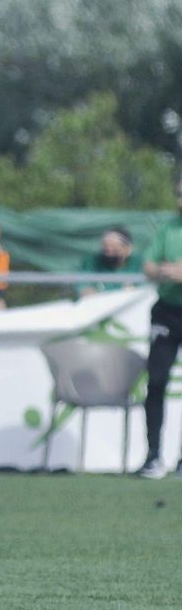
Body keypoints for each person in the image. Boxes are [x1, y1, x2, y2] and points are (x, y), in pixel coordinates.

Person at [137, 185, 182, 480]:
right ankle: (153, 456)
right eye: (177, 193)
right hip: (167, 310)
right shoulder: (168, 228)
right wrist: (164, 272)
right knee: (156, 381)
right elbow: (148, 266)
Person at [78, 226, 142, 296]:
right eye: (106, 249)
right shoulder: (92, 262)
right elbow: (84, 289)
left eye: (114, 249)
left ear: (128, 249)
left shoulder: (138, 264)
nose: (109, 253)